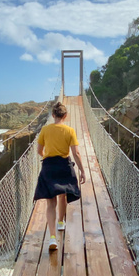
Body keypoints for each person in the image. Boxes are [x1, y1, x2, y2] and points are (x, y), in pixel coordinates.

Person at [34, 101, 86, 251]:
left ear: (53, 115)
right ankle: (61, 222)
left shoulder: (45, 129)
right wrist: (82, 170)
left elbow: (39, 150)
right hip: (64, 166)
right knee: (62, 195)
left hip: (49, 166)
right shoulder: (70, 130)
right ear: (66, 115)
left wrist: (47, 157)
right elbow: (76, 153)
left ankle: (52, 238)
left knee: (50, 203)